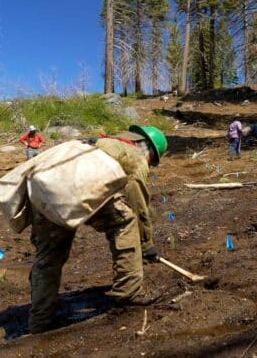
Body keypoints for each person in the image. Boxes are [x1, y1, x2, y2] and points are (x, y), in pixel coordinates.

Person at [27, 125, 168, 334]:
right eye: (151, 162)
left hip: (45, 189)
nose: (148, 165)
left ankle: (40, 319)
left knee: (49, 255)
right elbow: (137, 202)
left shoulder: (96, 144)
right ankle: (128, 292)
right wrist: (146, 243)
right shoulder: (134, 155)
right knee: (126, 221)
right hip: (80, 187)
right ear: (146, 148)